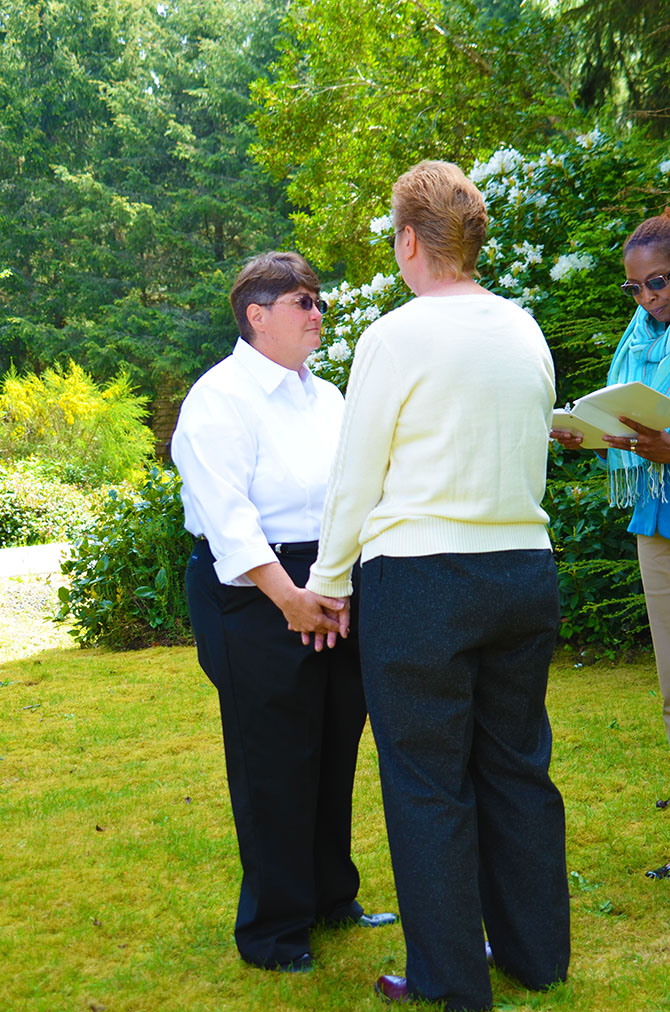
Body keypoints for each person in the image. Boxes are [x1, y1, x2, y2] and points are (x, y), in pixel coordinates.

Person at [304, 161, 570, 1009]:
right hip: (525, 572)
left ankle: (449, 980)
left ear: (409, 240)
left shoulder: (396, 335)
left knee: (426, 781)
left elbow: (357, 478)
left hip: (422, 583)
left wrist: (327, 581)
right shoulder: (525, 329)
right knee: (518, 765)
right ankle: (537, 957)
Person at [170, 251, 396, 973]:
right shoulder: (220, 398)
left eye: (320, 301)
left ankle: (332, 898)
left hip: (331, 579)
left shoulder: (326, 396)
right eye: (305, 302)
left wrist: (338, 585)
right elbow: (227, 516)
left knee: (334, 743)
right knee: (274, 761)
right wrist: (288, 596)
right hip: (253, 592)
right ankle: (273, 932)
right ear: (256, 315)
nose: (319, 313)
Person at [551, 209, 670, 880]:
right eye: (634, 290)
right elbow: (629, 425)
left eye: (656, 285)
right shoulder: (643, 336)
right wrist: (587, 432)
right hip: (658, 521)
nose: (646, 301)